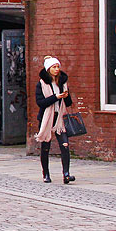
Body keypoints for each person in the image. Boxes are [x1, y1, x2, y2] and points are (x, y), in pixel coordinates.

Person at [35, 56, 75, 184]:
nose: (57, 69)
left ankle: (66, 174)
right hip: (47, 118)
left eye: (58, 67)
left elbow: (68, 103)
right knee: (45, 146)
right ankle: (46, 173)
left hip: (60, 117)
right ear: (48, 69)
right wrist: (56, 97)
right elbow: (41, 102)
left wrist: (66, 96)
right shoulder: (42, 84)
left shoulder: (62, 83)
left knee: (65, 145)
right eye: (54, 67)